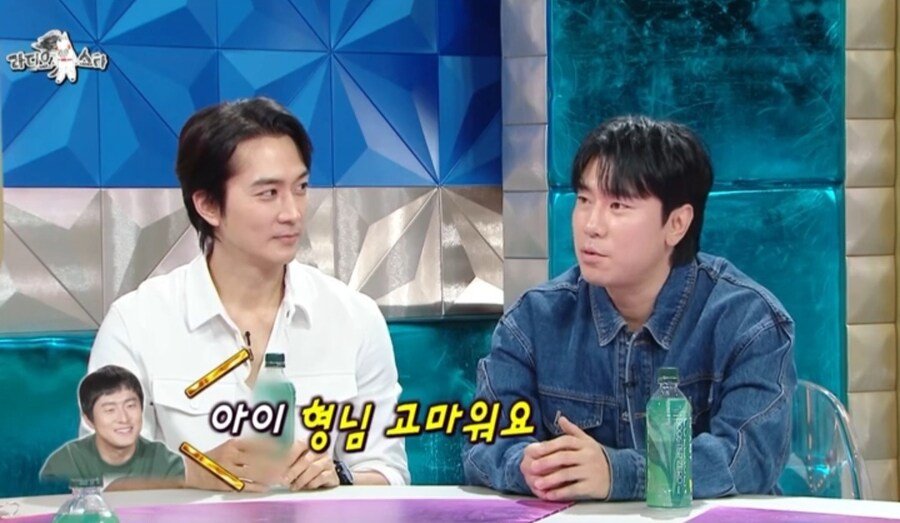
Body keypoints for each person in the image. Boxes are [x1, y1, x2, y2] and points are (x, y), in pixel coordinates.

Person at [462, 116, 797, 501]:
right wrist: (527, 465)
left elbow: (749, 459)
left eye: (618, 205)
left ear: (676, 224)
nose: (592, 225)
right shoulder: (533, 322)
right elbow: (483, 443)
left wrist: (618, 473)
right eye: (584, 200)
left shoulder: (749, 322)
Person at [85, 97, 409, 491]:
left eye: (301, 188)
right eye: (268, 193)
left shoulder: (355, 318)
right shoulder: (136, 323)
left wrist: (339, 476)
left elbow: (389, 472)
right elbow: (101, 476)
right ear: (208, 205)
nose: (292, 212)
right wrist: (193, 474)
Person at [41, 365, 184, 488]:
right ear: (88, 419)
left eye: (130, 406)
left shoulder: (165, 463)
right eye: (110, 410)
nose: (124, 418)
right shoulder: (65, 464)